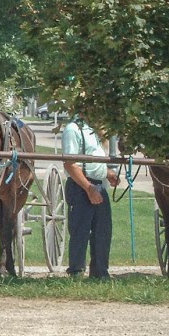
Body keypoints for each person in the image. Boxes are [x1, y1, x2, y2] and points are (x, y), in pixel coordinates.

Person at [62, 113, 119, 279]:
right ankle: (76, 272)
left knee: (103, 230)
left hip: (98, 184)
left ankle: (100, 272)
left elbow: (92, 160)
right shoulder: (73, 130)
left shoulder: (92, 130)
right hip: (81, 186)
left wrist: (106, 173)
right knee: (80, 230)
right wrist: (88, 188)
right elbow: (71, 164)